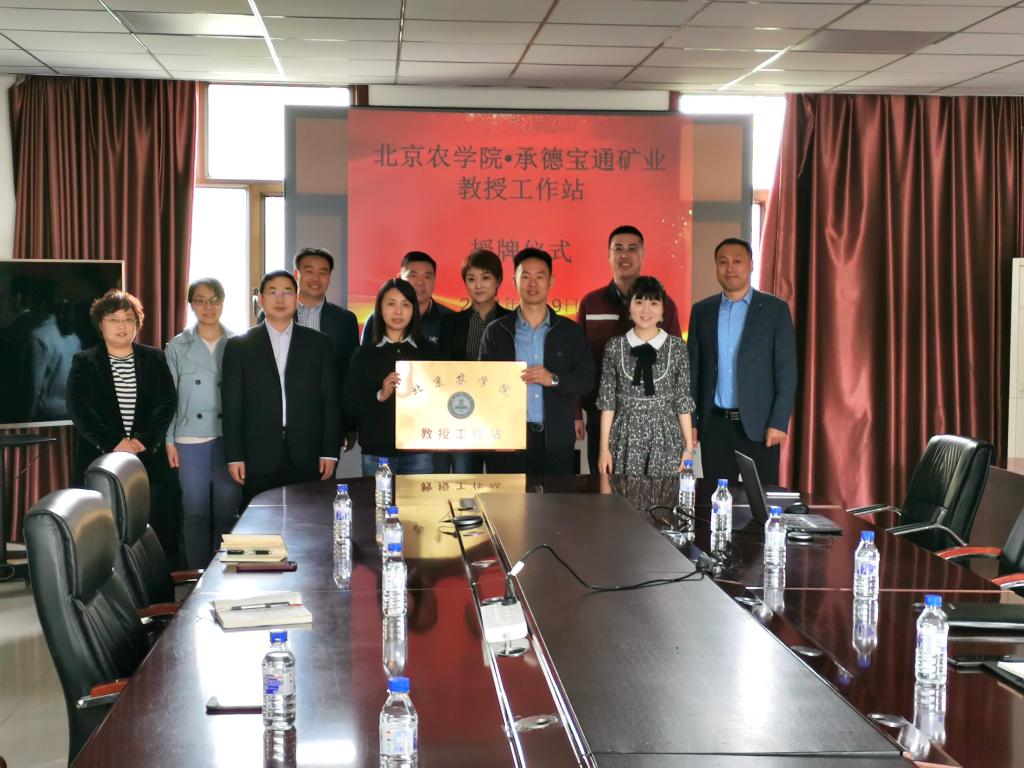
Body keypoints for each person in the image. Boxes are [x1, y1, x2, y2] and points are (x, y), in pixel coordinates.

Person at [65, 289, 179, 563]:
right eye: (113, 319)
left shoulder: (154, 358)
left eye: (128, 319)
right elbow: (80, 410)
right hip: (99, 458)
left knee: (150, 529)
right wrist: (115, 442)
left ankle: (151, 583)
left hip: (146, 457)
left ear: (137, 324)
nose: (121, 325)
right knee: (102, 530)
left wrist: (143, 440)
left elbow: (167, 402)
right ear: (100, 324)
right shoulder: (85, 361)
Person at [222, 270, 340, 509]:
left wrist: (329, 451)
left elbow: (330, 401)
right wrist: (234, 456)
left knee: (307, 520)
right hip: (257, 453)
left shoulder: (319, 343)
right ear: (261, 300)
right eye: (272, 292)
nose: (280, 298)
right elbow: (232, 405)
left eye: (287, 292)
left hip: (307, 452)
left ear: (297, 298)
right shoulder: (239, 346)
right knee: (260, 523)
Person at [687, 237, 797, 485]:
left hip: (760, 426)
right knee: (716, 498)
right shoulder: (702, 311)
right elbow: (693, 372)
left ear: (751, 265)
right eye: (722, 262)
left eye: (737, 261)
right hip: (714, 426)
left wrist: (779, 421)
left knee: (762, 499)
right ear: (716, 266)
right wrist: (691, 421)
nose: (730, 268)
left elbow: (786, 371)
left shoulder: (775, 309)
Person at [479, 248, 595, 475]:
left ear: (550, 281)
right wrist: (495, 432)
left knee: (555, 499)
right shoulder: (497, 332)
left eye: (540, 276)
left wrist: (553, 379)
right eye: (525, 276)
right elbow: (483, 386)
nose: (532, 283)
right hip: (509, 442)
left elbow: (586, 380)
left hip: (556, 442)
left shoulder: (569, 332)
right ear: (514, 281)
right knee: (509, 500)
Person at [578, 225, 682, 473]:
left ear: (643, 254)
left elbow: (676, 369)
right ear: (608, 255)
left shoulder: (664, 304)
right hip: (602, 418)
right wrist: (575, 413)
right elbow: (577, 361)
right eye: (618, 249)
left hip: (654, 423)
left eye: (632, 249)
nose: (624, 255)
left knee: (652, 491)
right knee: (605, 488)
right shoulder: (591, 303)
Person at [164, 278, 242, 570]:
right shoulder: (176, 346)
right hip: (189, 438)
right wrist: (169, 440)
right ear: (191, 305)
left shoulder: (238, 343)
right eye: (200, 300)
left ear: (223, 302)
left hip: (228, 438)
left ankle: (223, 575)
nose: (208, 306)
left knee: (227, 512)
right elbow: (169, 397)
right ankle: (196, 577)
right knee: (195, 513)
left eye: (214, 299)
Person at [595, 276, 695, 477]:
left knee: (664, 494)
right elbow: (608, 403)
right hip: (625, 437)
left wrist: (688, 449)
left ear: (663, 310)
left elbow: (682, 401)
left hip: (666, 438)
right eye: (639, 302)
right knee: (624, 494)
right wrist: (604, 450)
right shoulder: (614, 347)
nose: (646, 310)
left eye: (654, 303)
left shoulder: (677, 347)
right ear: (629, 307)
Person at [344, 278, 438, 475]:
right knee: (378, 497)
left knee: (418, 497)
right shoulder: (364, 354)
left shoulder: (430, 352)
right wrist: (380, 395)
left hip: (419, 450)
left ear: (414, 310)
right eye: (391, 304)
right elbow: (350, 407)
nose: (398, 311)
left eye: (405, 304)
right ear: (380, 308)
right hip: (377, 452)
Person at [439, 248, 513, 473]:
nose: (478, 285)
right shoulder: (451, 323)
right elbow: (444, 369)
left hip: (499, 416)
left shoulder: (511, 322)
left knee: (502, 483)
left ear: (498, 280)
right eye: (471, 279)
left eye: (485, 278)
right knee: (465, 482)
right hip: (462, 415)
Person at [360, 251, 452, 346]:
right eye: (413, 275)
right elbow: (366, 353)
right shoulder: (379, 317)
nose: (420, 282)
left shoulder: (450, 319)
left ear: (434, 280)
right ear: (399, 278)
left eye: (427, 277)